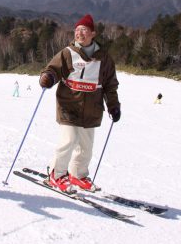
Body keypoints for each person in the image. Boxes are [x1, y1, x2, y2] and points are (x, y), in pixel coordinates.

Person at [39, 14, 121, 193]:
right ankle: (56, 174)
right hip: (69, 104)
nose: (79, 33)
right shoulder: (68, 53)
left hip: (91, 109)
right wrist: (48, 78)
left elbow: (110, 85)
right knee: (68, 140)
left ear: (93, 33)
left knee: (86, 146)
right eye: (77, 30)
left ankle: (78, 174)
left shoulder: (104, 59)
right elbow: (53, 69)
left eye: (83, 30)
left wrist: (113, 105)